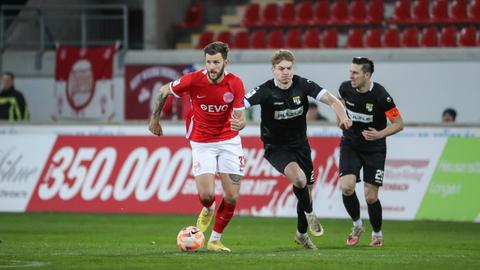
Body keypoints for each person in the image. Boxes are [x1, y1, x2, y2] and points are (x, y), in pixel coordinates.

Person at [244, 49, 352, 250]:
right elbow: (239, 104)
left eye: (289, 68)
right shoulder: (265, 90)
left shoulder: (302, 85)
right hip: (276, 148)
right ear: (273, 70)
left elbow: (332, 100)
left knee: (305, 191)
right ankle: (311, 214)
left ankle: (302, 235)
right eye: (281, 68)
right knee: (300, 180)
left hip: (301, 146)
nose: (285, 72)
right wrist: (235, 119)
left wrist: (343, 116)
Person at [148, 41, 246, 252]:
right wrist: (155, 119)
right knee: (207, 196)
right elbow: (164, 90)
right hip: (202, 142)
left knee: (231, 196)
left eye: (216, 62)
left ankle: (215, 240)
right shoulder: (193, 80)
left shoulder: (236, 83)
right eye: (209, 62)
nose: (212, 66)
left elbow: (241, 117)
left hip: (229, 141)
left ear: (225, 62)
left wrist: (241, 123)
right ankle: (208, 208)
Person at [338, 57, 404, 247]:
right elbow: (338, 103)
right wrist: (341, 119)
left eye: (355, 73)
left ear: (367, 75)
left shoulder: (381, 96)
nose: (351, 76)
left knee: (370, 196)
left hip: (374, 148)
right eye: (350, 71)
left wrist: (379, 134)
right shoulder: (345, 88)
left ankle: (377, 234)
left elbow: (399, 124)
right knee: (347, 187)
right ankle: (357, 225)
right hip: (350, 144)